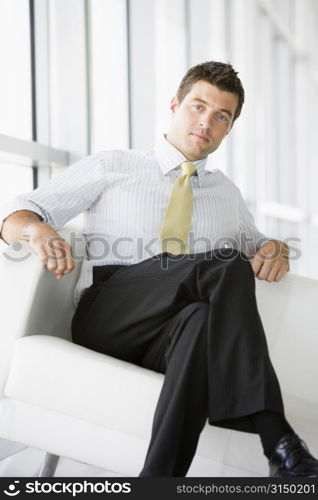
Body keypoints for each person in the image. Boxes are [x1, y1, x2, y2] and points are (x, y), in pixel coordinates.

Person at [1, 61, 317, 478]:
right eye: (198, 106)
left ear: (229, 129)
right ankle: (276, 437)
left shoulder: (227, 195)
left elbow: (261, 247)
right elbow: (16, 214)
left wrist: (276, 248)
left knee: (203, 319)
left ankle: (159, 482)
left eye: (221, 116)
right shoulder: (114, 165)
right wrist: (37, 229)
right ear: (175, 104)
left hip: (168, 336)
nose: (206, 122)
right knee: (224, 262)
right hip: (110, 314)